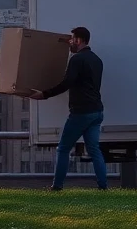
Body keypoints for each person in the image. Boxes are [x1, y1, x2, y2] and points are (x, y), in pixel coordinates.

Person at [29, 26, 107, 191]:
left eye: (72, 39)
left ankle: (57, 186)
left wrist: (44, 94)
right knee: (94, 149)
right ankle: (103, 186)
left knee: (63, 148)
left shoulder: (77, 59)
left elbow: (67, 83)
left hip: (81, 111)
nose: (70, 42)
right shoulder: (97, 60)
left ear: (78, 40)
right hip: (97, 111)